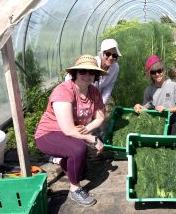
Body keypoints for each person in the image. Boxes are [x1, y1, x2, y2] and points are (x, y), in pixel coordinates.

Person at [34, 55, 107, 206]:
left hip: (69, 134)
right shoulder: (64, 90)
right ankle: (75, 189)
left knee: (80, 170)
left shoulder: (94, 92)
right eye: (83, 71)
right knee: (78, 148)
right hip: (49, 134)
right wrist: (92, 138)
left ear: (96, 75)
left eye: (91, 72)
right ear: (75, 73)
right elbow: (68, 130)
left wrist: (85, 129)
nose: (87, 75)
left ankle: (61, 160)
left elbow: (100, 118)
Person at [134, 55, 176, 134]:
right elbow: (146, 108)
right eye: (153, 72)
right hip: (160, 122)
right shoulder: (149, 90)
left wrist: (167, 110)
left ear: (163, 70)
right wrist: (139, 107)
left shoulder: (174, 85)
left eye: (159, 71)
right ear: (150, 74)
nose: (157, 74)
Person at [65, 38, 121, 105]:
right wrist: (70, 96)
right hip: (79, 96)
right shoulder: (92, 62)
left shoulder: (115, 67)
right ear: (102, 53)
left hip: (95, 98)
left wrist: (101, 104)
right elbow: (69, 77)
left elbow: (109, 87)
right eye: (108, 54)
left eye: (114, 55)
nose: (111, 57)